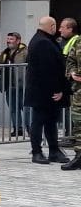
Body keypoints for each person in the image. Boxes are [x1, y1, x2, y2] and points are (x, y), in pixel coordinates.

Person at [25, 16, 69, 164]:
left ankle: (54, 151)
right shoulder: (43, 42)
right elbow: (49, 70)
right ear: (52, 26)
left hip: (44, 91)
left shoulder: (42, 39)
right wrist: (58, 90)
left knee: (50, 121)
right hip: (44, 92)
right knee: (39, 121)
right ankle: (37, 152)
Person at [0, 32, 28, 137]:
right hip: (9, 84)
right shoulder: (5, 52)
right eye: (8, 39)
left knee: (25, 107)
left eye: (11, 39)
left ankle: (30, 128)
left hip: (22, 85)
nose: (8, 41)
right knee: (13, 108)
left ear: (18, 40)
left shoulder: (25, 51)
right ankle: (18, 129)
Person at [63, 33, 81, 170]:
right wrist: (73, 73)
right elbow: (71, 60)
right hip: (79, 92)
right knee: (78, 124)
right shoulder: (78, 41)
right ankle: (79, 156)